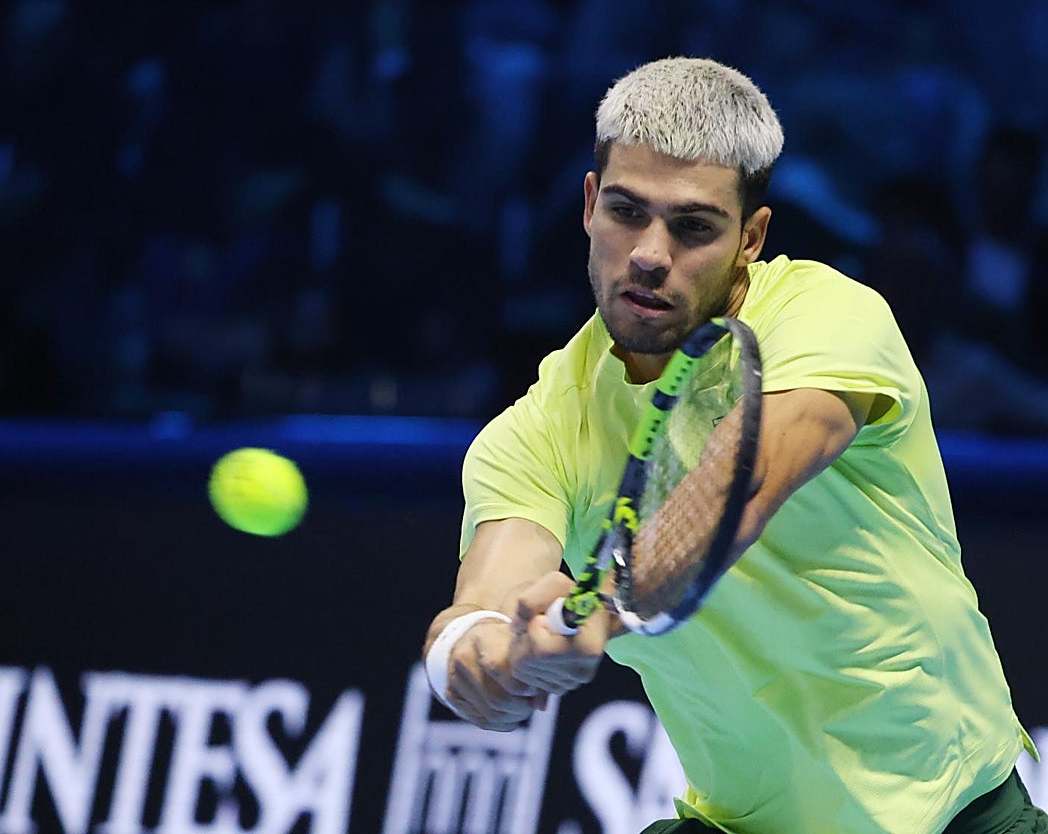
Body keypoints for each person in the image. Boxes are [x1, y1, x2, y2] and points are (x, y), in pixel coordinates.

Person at [420, 57, 1046, 833]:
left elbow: (737, 486)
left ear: (751, 237)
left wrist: (605, 606)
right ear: (588, 206)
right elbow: (477, 607)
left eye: (692, 226)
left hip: (959, 819)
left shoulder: (830, 318)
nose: (650, 253)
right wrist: (496, 656)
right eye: (626, 211)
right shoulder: (539, 430)